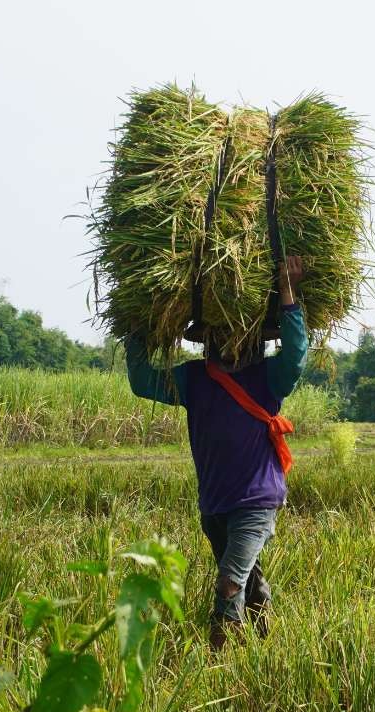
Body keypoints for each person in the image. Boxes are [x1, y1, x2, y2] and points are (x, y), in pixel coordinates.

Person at [125, 256, 307, 650]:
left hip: (257, 499)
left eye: (237, 333)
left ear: (253, 339)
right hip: (214, 502)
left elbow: (296, 355)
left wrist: (288, 291)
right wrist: (138, 324)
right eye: (219, 334)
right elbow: (142, 381)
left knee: (229, 581)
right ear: (208, 339)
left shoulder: (268, 378)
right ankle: (264, 641)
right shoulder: (194, 378)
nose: (228, 340)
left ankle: (221, 657)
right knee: (248, 577)